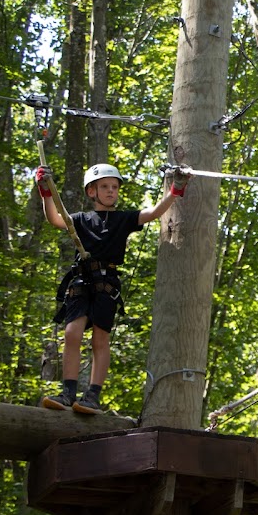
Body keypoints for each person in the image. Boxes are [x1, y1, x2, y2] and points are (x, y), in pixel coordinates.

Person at [36, 162, 191, 414]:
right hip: (81, 281)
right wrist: (45, 191)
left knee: (100, 338)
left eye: (114, 187)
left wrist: (175, 189)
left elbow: (152, 213)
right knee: (71, 333)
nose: (111, 191)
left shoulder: (123, 219)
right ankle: (68, 392)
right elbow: (54, 218)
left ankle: (93, 395)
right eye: (105, 187)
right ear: (91, 192)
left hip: (106, 283)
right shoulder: (80, 219)